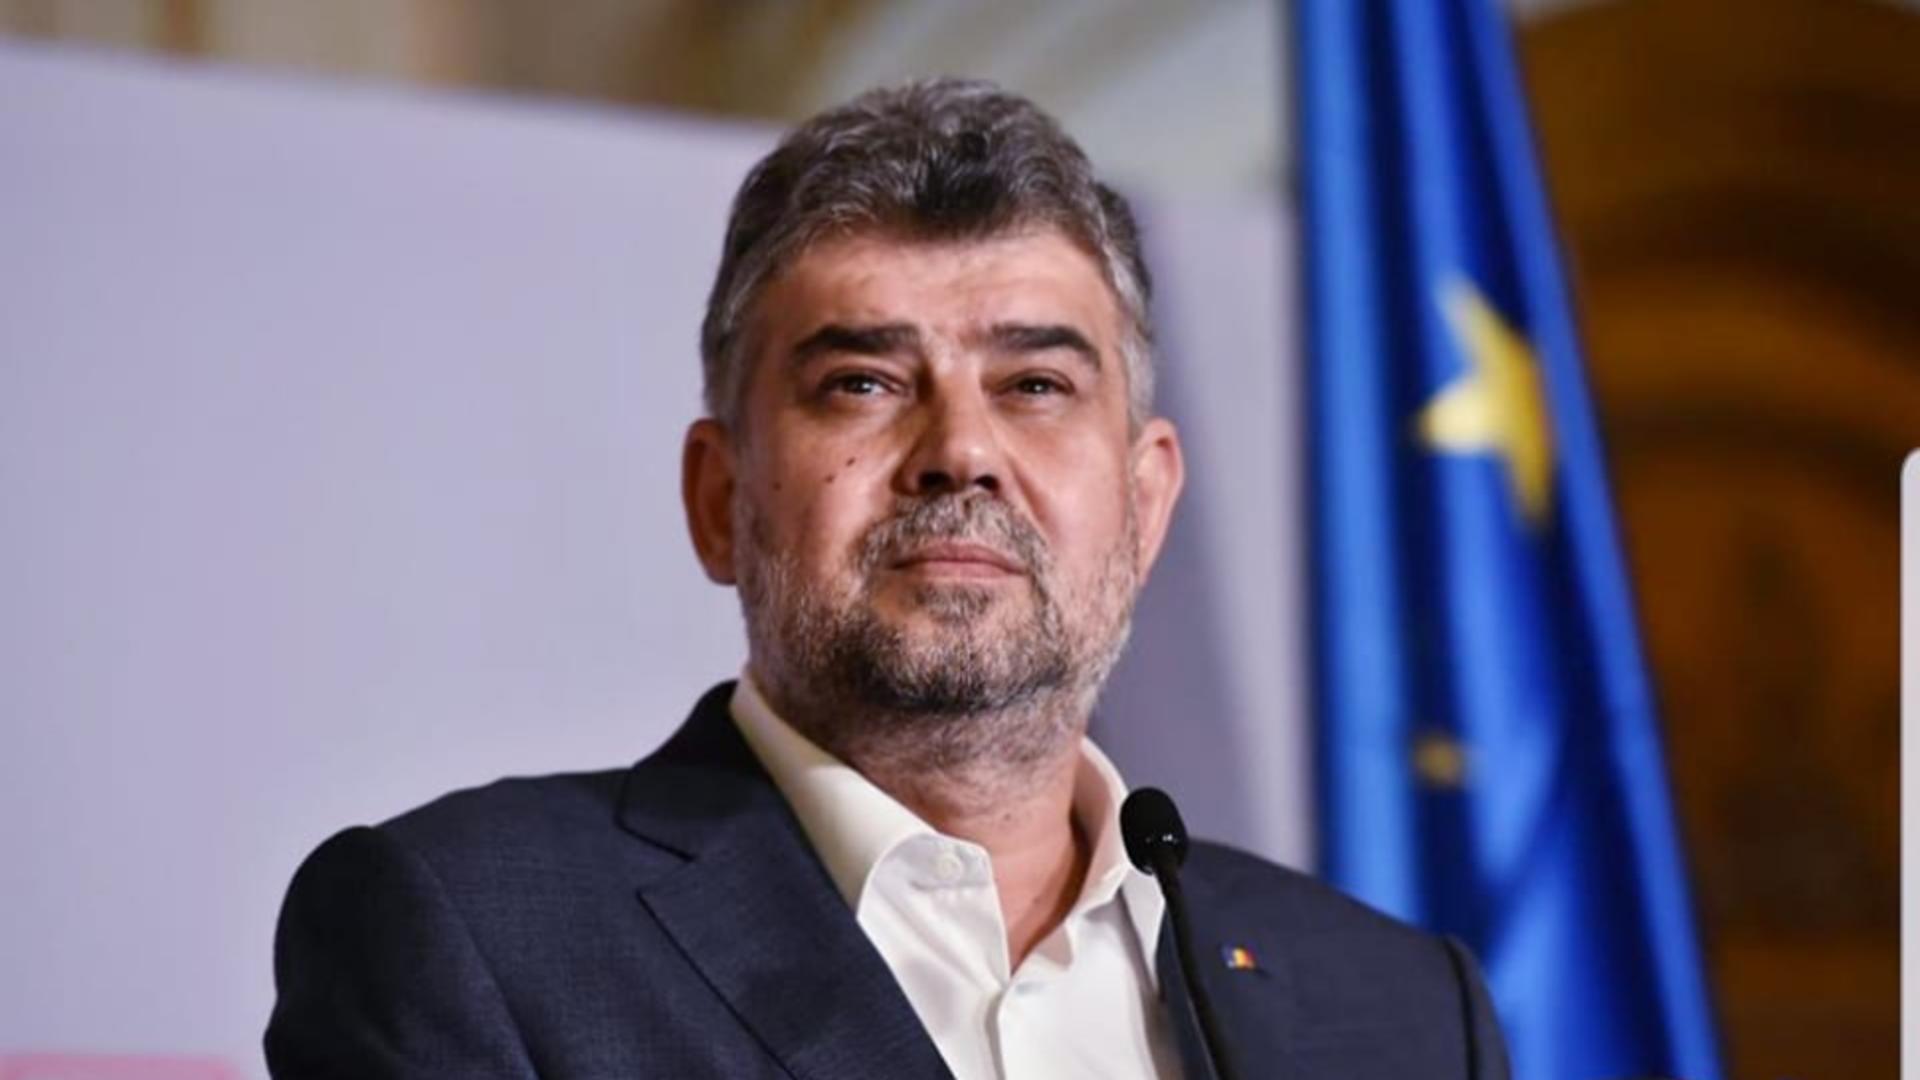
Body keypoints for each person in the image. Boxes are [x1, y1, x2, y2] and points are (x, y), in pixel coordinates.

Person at [265, 77, 1509, 1080]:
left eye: (1035, 385)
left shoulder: (1400, 1010)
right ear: (719, 499)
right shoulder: (470, 935)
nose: (961, 450)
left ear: (1145, 505)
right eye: (861, 382)